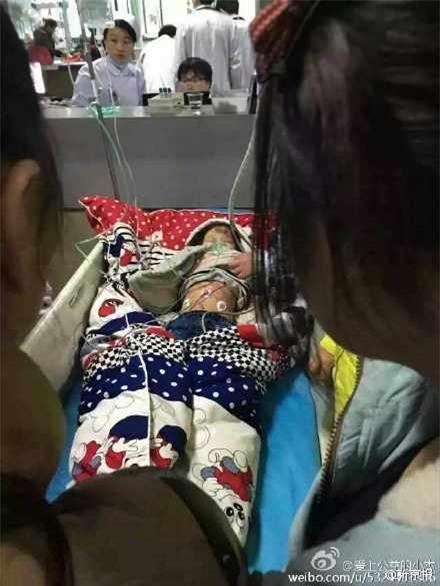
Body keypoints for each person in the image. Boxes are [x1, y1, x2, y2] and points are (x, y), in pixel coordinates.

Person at [1, 0, 439, 583]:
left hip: (228, 335)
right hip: (171, 325)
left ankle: (206, 505)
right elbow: (137, 283)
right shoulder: (187, 260)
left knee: (222, 426)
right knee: (139, 388)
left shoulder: (396, 557)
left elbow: (280, 320)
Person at [173, 0, 242, 96]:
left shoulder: (185, 24)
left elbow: (179, 64)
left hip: (194, 94)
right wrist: (237, 94)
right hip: (223, 94)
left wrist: (180, 95)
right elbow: (237, 65)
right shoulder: (229, 23)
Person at [71, 19, 145, 107]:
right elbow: (78, 110)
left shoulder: (137, 74)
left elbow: (142, 109)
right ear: (105, 42)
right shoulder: (90, 72)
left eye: (126, 41)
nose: (120, 48)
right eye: (114, 40)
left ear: (133, 45)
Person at [217, 0, 255, 92]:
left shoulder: (222, 28)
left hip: (229, 86)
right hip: (253, 82)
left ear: (221, 11)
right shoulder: (251, 26)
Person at [138, 25, 177, 94]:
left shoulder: (147, 46)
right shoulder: (176, 44)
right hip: (171, 93)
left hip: (148, 94)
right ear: (175, 36)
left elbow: (138, 71)